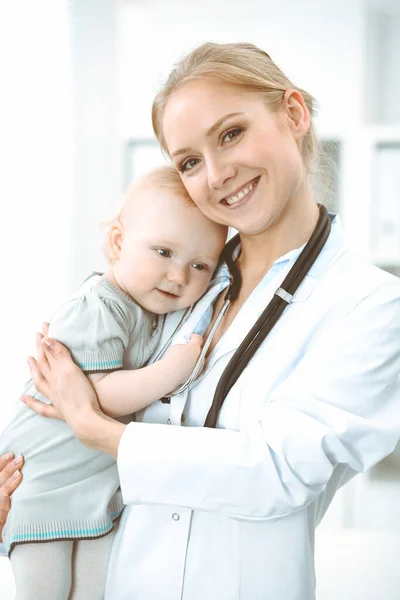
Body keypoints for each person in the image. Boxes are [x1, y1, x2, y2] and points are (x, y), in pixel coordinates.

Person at [2, 41, 400, 600]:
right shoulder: (178, 283)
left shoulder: (370, 304)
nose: (215, 174)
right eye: (189, 161)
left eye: (230, 133)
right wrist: (28, 495)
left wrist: (98, 428)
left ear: (294, 114)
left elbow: (276, 473)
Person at [0, 164, 228, 599]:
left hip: (93, 490)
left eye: (199, 265)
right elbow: (97, 396)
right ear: (119, 242)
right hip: (41, 480)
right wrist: (174, 370)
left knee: (96, 591)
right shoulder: (99, 306)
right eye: (163, 252)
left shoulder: (153, 309)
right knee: (45, 591)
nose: (179, 276)